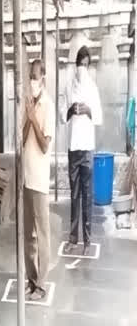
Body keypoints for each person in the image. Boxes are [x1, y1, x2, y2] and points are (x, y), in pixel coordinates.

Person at [61, 45, 102, 254]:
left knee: (87, 195)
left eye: (86, 65)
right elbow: (62, 116)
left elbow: (100, 117)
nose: (82, 69)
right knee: (74, 195)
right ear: (75, 65)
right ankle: (72, 239)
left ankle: (87, 241)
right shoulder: (68, 87)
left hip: (87, 149)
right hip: (73, 148)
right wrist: (71, 109)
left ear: (89, 66)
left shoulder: (93, 88)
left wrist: (88, 110)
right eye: (80, 64)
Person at [23, 59, 55, 301]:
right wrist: (27, 115)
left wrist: (34, 117)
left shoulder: (48, 105)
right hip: (26, 176)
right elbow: (23, 139)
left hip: (40, 179)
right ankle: (31, 279)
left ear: (43, 77)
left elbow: (45, 146)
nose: (32, 81)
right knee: (28, 234)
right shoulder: (29, 103)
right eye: (30, 76)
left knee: (42, 233)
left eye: (36, 77)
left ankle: (42, 284)